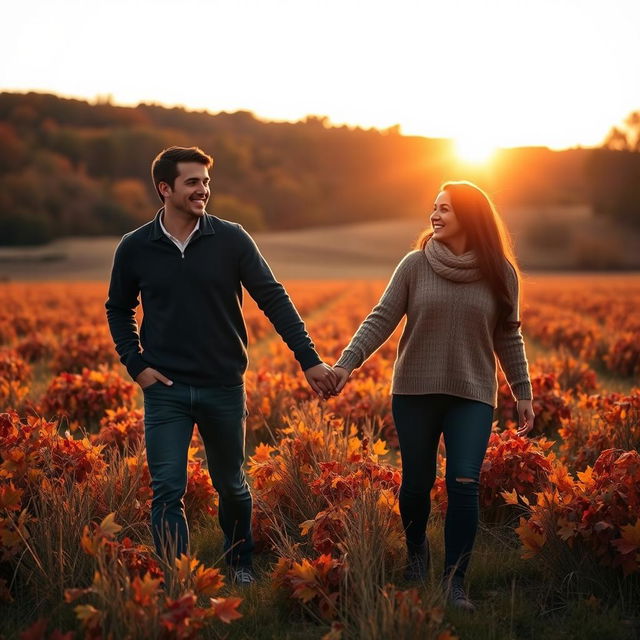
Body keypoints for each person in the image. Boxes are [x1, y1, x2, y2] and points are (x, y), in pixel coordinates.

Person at [105, 146, 337, 586]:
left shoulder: (231, 238)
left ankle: (239, 563)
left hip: (223, 388)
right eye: (193, 182)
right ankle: (176, 580)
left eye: (206, 182)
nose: (203, 190)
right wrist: (135, 365)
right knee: (167, 490)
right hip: (165, 390)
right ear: (165, 188)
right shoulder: (135, 247)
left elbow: (273, 298)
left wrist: (309, 360)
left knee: (231, 484)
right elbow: (118, 308)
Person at [331, 180, 535, 612]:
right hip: (415, 391)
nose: (435, 216)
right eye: (434, 208)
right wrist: (345, 365)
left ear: (469, 217)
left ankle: (454, 580)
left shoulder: (501, 273)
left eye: (445, 209)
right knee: (417, 483)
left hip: (472, 394)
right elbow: (381, 318)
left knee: (464, 482)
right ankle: (417, 549)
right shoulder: (414, 264)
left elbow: (509, 337)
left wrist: (524, 392)